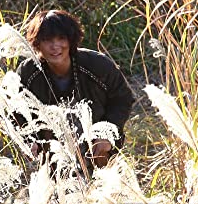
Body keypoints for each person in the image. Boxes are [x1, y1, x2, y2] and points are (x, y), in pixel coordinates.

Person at [17, 9, 134, 175]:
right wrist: (29, 140)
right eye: (47, 40)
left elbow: (123, 99)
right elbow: (17, 110)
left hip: (96, 139)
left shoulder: (98, 66)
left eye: (61, 39)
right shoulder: (29, 72)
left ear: (71, 41)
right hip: (52, 147)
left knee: (101, 164)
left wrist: (106, 133)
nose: (55, 46)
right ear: (37, 43)